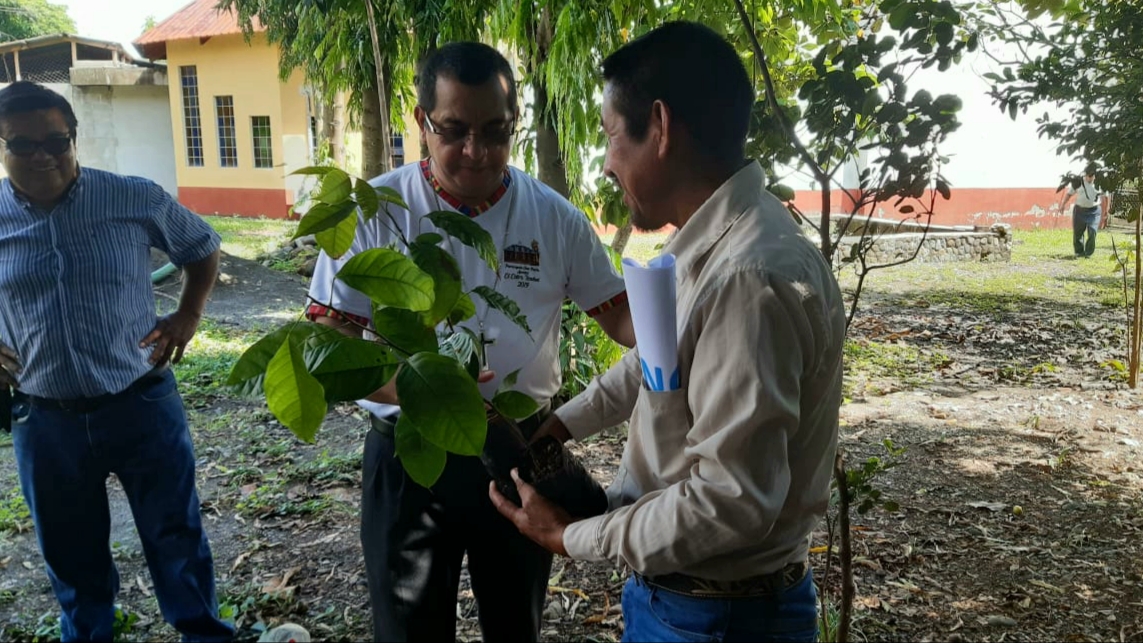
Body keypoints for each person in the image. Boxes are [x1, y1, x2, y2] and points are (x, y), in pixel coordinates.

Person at [489, 21, 846, 643]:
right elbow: (656, 361)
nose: (607, 163)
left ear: (659, 127)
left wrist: (573, 537)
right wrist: (560, 425)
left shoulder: (748, 278)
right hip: (682, 603)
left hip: (720, 619)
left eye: (611, 136)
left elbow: (731, 500)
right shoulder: (709, 245)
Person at [304, 42, 635, 642]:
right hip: (410, 453)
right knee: (407, 629)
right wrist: (424, 389)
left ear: (515, 125)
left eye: (495, 132)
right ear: (421, 121)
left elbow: (624, 321)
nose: (476, 152)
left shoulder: (553, 218)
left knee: (515, 625)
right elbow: (330, 342)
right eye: (453, 131)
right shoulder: (376, 213)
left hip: (519, 446)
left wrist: (703, 315)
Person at [0, 82, 234, 642]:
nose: (42, 155)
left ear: (74, 138)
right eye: (23, 144)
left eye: (56, 140)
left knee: (175, 535)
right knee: (69, 551)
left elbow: (202, 246)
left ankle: (203, 633)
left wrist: (187, 315)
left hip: (141, 403)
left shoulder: (132, 198)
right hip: (45, 417)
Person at [1061, 167, 1110, 258]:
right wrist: (1063, 205)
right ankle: (1079, 252)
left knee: (1092, 231)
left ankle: (1088, 252)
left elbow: (1106, 197)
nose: (1089, 178)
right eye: (1088, 176)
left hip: (1094, 211)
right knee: (1078, 232)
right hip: (1079, 210)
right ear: (1085, 175)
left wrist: (1106, 210)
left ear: (1095, 176)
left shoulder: (1100, 184)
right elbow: (1069, 194)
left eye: (1092, 176)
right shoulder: (1078, 183)